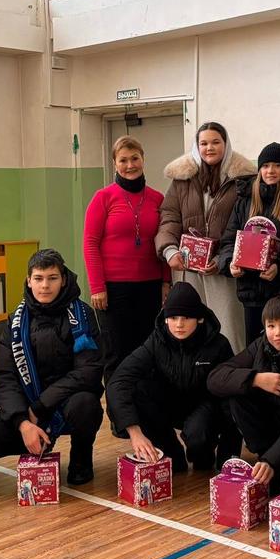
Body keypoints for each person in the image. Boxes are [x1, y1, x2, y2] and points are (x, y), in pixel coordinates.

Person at [0, 249, 103, 486]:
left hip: (67, 400)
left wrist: (41, 406)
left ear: (63, 279)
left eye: (52, 278)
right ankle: (38, 443)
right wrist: (22, 422)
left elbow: (89, 371)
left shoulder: (83, 315)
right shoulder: (16, 321)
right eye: (38, 278)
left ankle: (81, 459)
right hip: (28, 403)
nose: (45, 285)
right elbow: (4, 376)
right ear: (29, 281)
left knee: (86, 405)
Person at [106, 282, 238, 473]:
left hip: (204, 407)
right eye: (173, 317)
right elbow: (118, 381)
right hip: (168, 404)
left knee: (201, 456)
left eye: (186, 317)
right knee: (138, 389)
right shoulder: (155, 341)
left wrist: (228, 457)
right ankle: (171, 453)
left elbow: (232, 396)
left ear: (200, 318)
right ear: (165, 319)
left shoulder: (219, 345)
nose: (179, 324)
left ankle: (203, 451)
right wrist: (134, 432)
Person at [207, 295, 280, 493]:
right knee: (237, 392)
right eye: (271, 326)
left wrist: (272, 460)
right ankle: (265, 460)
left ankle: (273, 464)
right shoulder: (261, 345)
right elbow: (214, 379)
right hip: (272, 432)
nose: (278, 333)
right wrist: (256, 379)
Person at [155, 122, 255, 352]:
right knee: (191, 329)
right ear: (197, 146)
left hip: (224, 270)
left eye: (215, 142)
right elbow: (169, 217)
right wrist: (170, 250)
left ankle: (231, 373)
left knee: (230, 331)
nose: (209, 148)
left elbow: (247, 224)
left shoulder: (243, 179)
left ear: (226, 144)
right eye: (204, 143)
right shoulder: (182, 179)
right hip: (188, 269)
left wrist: (222, 260)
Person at [84, 135, 172, 385]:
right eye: (123, 160)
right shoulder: (103, 197)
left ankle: (144, 405)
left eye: (135, 158)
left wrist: (166, 282)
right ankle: (118, 408)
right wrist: (97, 287)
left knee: (147, 350)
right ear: (115, 163)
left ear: (143, 159)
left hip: (149, 287)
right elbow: (90, 244)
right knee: (116, 353)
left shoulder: (157, 199)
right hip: (113, 290)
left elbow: (164, 240)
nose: (130, 165)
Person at [217, 143, 280, 344]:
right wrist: (230, 263)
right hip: (252, 294)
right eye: (265, 166)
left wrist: (279, 267)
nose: (270, 171)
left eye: (277, 165)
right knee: (255, 349)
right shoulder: (244, 202)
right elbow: (228, 241)